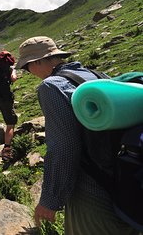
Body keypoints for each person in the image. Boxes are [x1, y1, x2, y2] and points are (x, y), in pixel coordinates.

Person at [16, 36, 139, 235]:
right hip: (126, 182)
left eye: (26, 67)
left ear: (38, 62)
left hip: (93, 191)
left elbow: (63, 148)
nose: (28, 73)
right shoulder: (97, 76)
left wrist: (50, 200)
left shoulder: (51, 86)